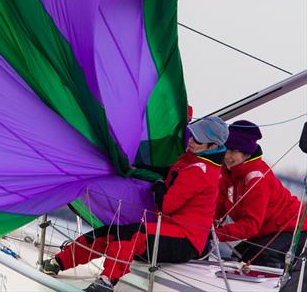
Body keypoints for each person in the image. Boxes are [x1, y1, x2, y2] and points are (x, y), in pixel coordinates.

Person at [40, 116, 229, 292]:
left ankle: (106, 282)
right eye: (192, 135)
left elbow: (166, 205)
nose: (191, 140)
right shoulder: (192, 159)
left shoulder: (201, 170)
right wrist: (137, 168)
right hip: (169, 227)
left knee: (130, 235)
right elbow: (167, 172)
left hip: (186, 240)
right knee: (109, 231)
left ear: (212, 146)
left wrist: (158, 185)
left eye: (197, 139)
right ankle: (59, 262)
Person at [215, 120, 306, 269]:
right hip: (268, 231)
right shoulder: (228, 173)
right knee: (238, 255)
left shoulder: (257, 178)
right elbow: (219, 206)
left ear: (246, 153)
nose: (227, 156)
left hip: (294, 229)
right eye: (226, 149)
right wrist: (204, 228)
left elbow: (251, 225)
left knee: (260, 257)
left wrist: (216, 234)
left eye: (233, 151)